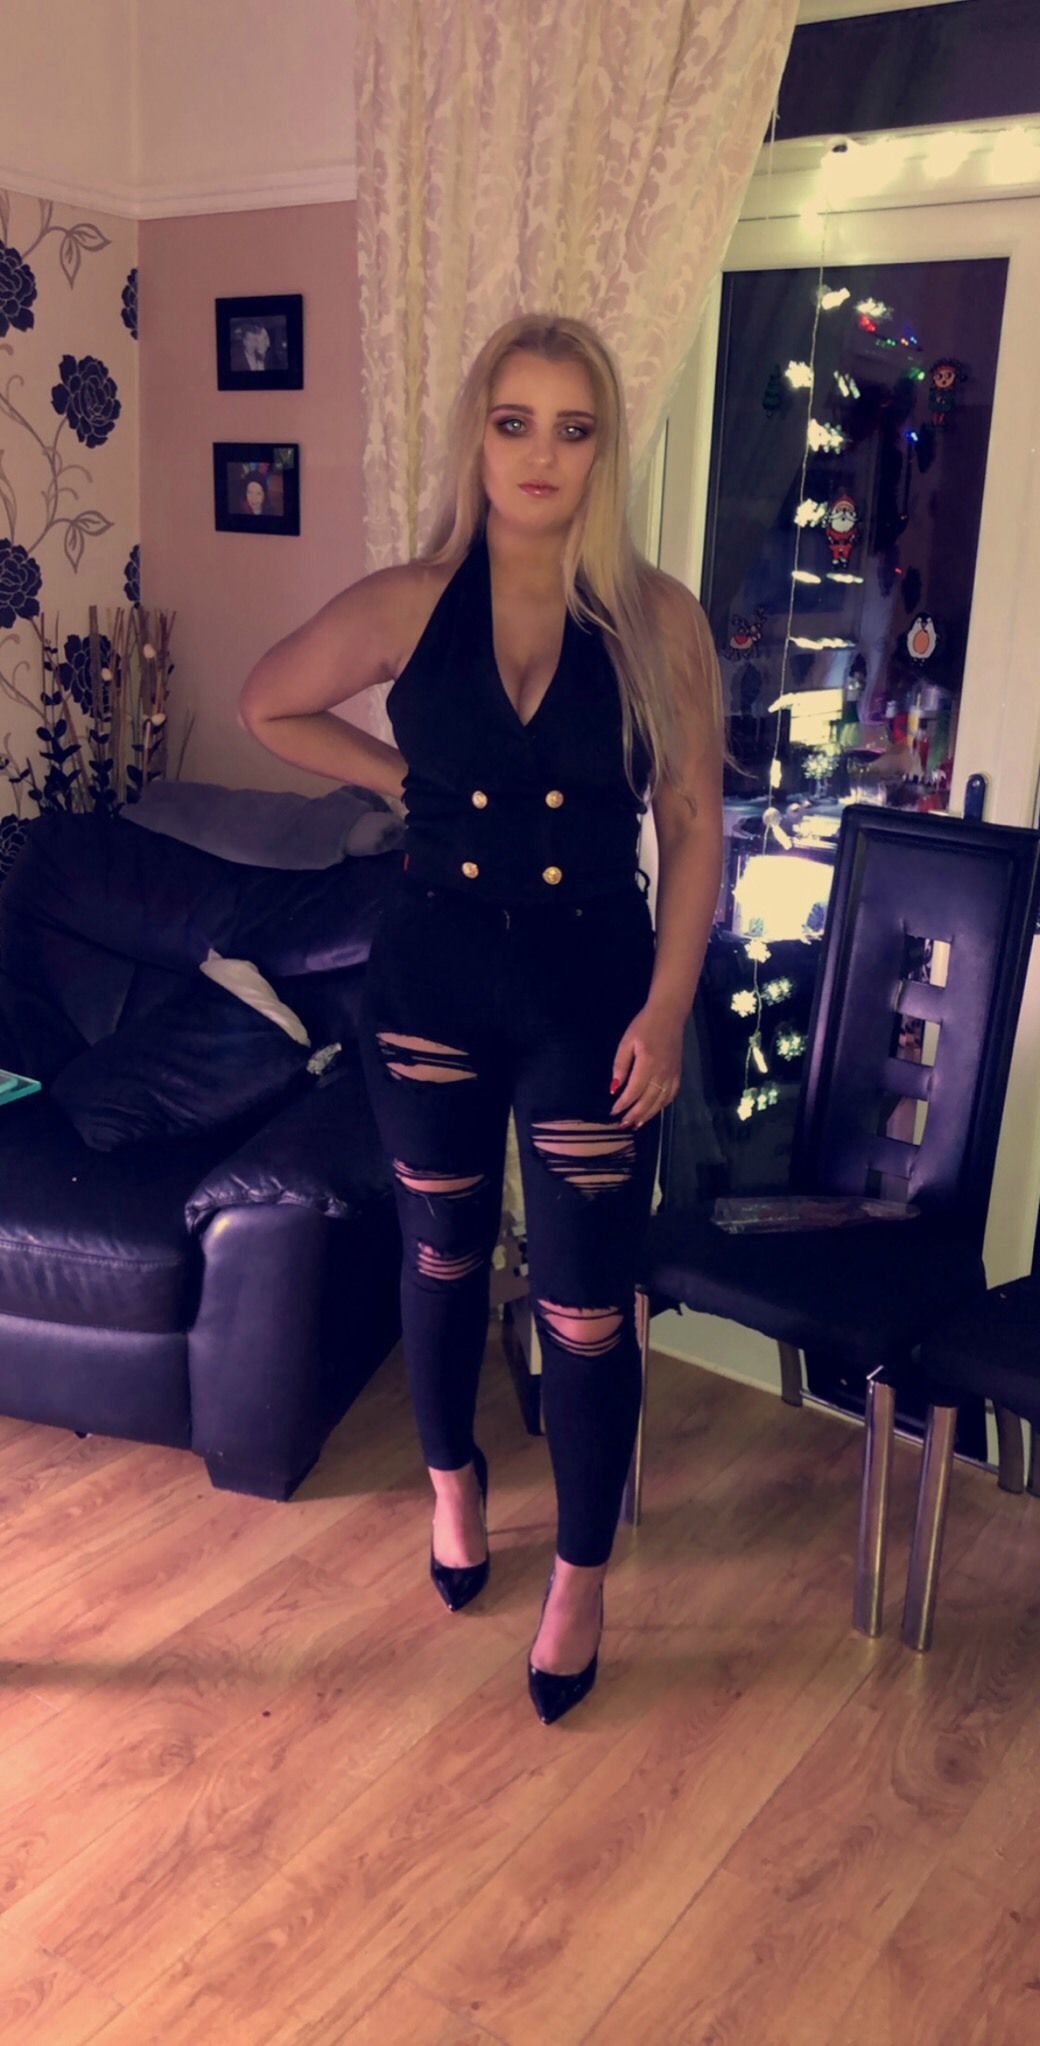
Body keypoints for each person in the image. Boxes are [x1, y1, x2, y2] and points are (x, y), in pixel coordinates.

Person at [239, 312, 723, 1723]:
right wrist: (402, 781)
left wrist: (671, 1005)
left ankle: (580, 1572)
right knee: (443, 1251)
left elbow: (695, 823)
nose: (541, 454)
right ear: (479, 435)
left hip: (595, 990)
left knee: (584, 1303)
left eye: (574, 427)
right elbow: (270, 704)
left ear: (603, 449)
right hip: (433, 979)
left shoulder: (658, 617)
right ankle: (452, 1482)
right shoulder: (409, 602)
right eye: (516, 422)